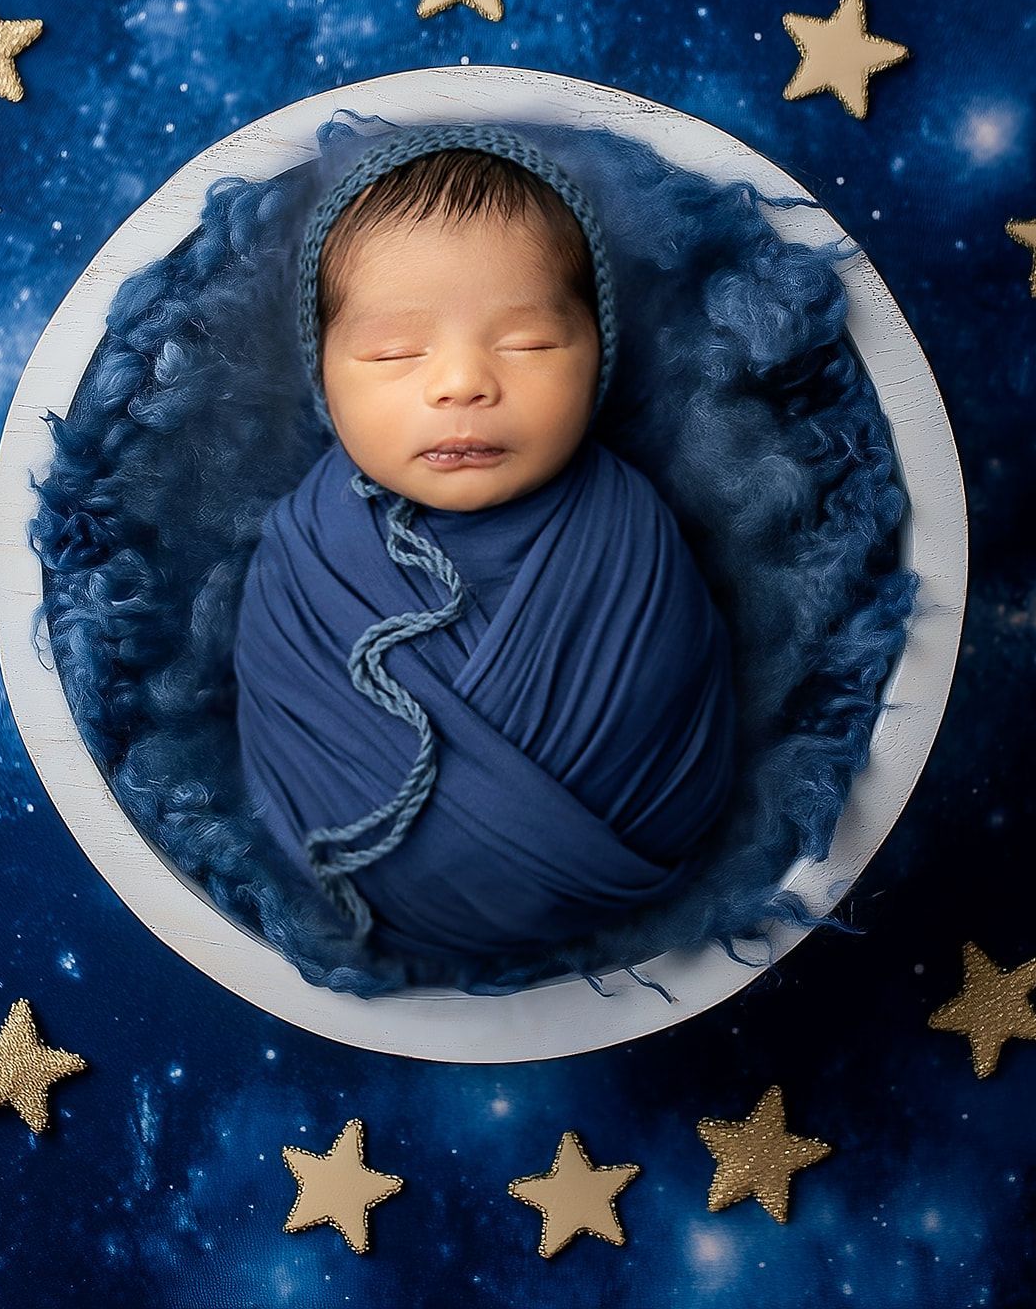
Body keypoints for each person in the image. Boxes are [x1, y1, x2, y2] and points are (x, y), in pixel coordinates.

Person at [232, 124, 739, 973]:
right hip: (359, 895)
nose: (463, 382)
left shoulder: (629, 530)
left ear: (598, 356)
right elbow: (283, 712)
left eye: (528, 343)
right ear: (324, 378)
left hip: (629, 875)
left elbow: (677, 707)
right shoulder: (305, 551)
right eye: (393, 352)